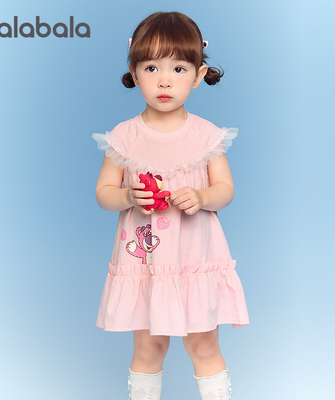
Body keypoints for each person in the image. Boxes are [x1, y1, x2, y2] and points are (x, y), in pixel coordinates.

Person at [92, 11, 249, 400]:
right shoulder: (123, 137)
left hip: (195, 259)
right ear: (134, 73)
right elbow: (104, 192)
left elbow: (226, 189)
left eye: (179, 68)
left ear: (198, 75)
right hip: (146, 265)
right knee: (149, 347)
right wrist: (128, 196)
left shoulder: (207, 135)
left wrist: (202, 197)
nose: (164, 80)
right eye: (151, 68)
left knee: (203, 345)